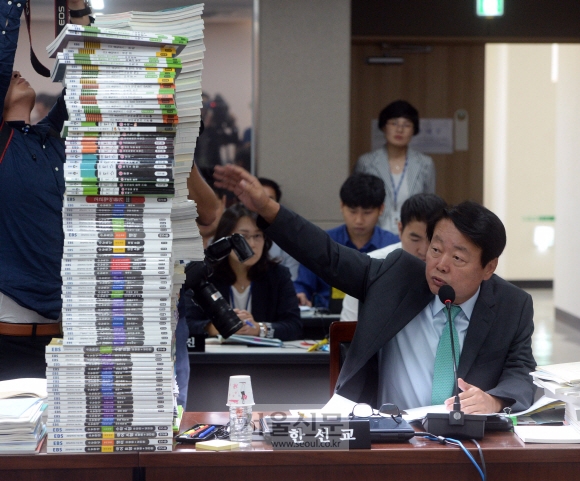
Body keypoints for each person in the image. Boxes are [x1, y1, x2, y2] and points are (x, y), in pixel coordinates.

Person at [213, 165, 536, 414]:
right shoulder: (396, 275)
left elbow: (521, 372)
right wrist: (266, 207)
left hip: (465, 442)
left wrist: (494, 400)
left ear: (489, 268)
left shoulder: (512, 305)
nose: (440, 265)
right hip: (390, 437)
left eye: (458, 258)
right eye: (436, 249)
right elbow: (327, 255)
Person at [0, 0, 92, 381]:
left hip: (61, 339)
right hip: (5, 339)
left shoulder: (52, 140)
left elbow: (87, 79)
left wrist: (78, 9)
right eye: (9, 76)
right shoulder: (3, 142)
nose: (17, 73)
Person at [186, 204, 302, 341]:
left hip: (263, 353)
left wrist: (259, 328)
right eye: (243, 236)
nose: (252, 244)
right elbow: (185, 323)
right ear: (225, 239)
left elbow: (294, 326)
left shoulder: (278, 275)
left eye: (257, 236)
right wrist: (215, 328)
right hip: (216, 352)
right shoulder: (205, 275)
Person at [294, 173, 399, 309]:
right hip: (326, 317)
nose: (359, 220)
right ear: (341, 206)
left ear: (381, 209)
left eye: (367, 213)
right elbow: (303, 285)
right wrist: (300, 294)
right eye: (352, 211)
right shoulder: (322, 242)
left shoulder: (393, 245)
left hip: (379, 316)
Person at [340, 193, 447, 321]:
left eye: (432, 241)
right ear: (400, 229)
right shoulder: (370, 268)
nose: (423, 250)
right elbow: (348, 327)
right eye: (415, 239)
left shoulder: (454, 269)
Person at [354, 100, 436, 235]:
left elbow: (429, 206)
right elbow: (357, 203)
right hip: (374, 234)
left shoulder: (425, 164)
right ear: (384, 127)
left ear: (414, 130)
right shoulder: (366, 162)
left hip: (412, 235)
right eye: (394, 123)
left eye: (406, 125)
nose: (400, 129)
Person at [258, 177, 300, 281]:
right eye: (259, 199)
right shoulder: (233, 234)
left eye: (269, 200)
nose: (263, 205)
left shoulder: (288, 239)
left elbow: (292, 281)